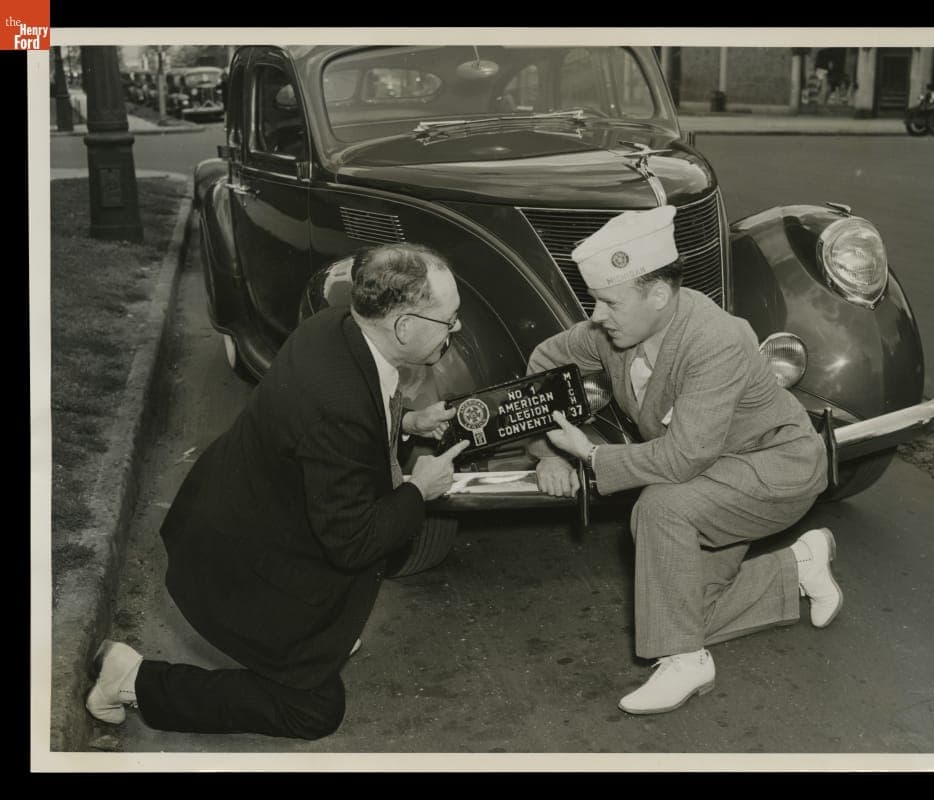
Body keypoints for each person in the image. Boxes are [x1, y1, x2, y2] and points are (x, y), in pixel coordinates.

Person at [86, 243, 470, 739]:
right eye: (449, 320)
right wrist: (421, 489)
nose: (455, 329)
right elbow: (353, 540)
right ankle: (131, 680)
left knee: (330, 636)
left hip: (248, 514)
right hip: (244, 566)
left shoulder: (337, 327)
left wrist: (408, 421)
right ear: (403, 327)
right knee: (315, 711)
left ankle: (314, 642)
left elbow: (352, 419)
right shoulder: (340, 406)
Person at [526, 206, 843, 715]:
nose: (596, 315)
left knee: (661, 507)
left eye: (609, 301)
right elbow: (543, 364)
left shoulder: (717, 338)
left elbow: (682, 459)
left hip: (774, 468)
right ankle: (798, 566)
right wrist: (546, 454)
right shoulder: (612, 332)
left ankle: (686, 661)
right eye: (596, 301)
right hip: (712, 475)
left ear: (657, 295)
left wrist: (589, 454)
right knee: (679, 606)